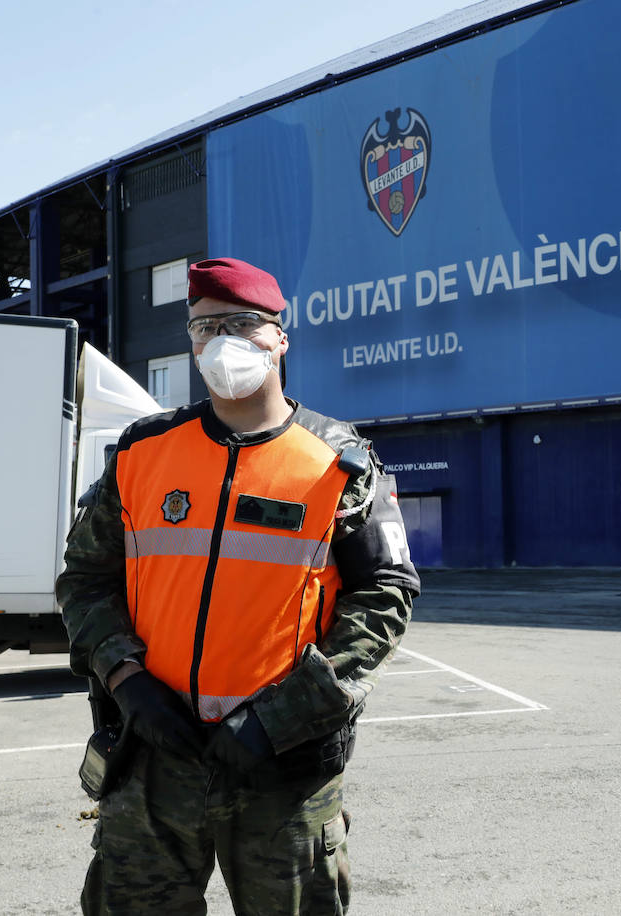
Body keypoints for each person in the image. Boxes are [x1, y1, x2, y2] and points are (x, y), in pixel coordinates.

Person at [57, 256, 420, 915]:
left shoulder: (341, 464)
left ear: (280, 337)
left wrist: (282, 717)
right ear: (191, 344)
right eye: (205, 327)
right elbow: (84, 580)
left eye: (243, 324)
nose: (223, 342)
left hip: (283, 765)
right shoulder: (142, 454)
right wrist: (127, 682)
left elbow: (385, 597)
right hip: (153, 759)